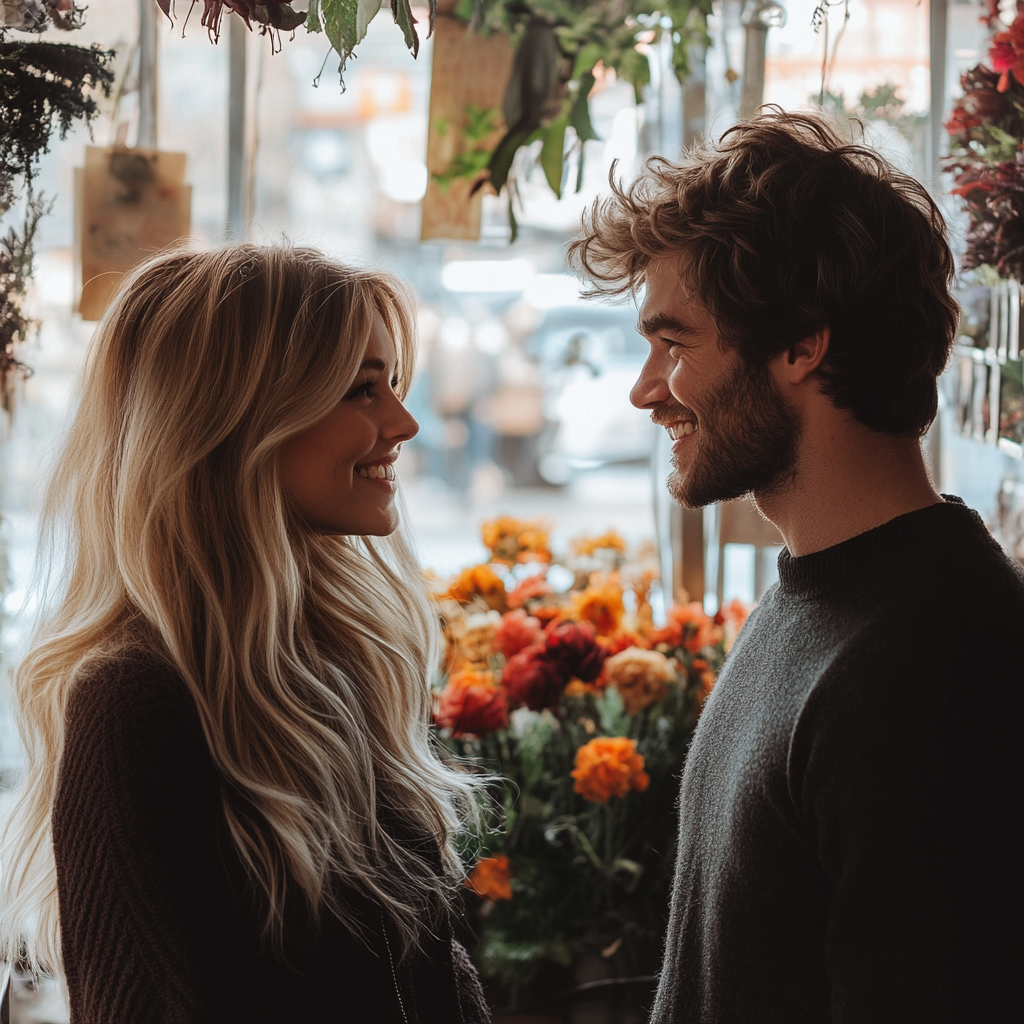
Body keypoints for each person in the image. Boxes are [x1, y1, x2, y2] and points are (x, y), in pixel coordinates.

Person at [569, 108, 1023, 1022]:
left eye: (675, 343)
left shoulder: (930, 663)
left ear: (801, 344)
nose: (645, 390)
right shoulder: (826, 597)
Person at [0, 244, 490, 1023]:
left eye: (392, 383)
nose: (404, 420)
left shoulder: (334, 663)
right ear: (236, 421)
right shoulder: (138, 707)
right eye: (363, 390)